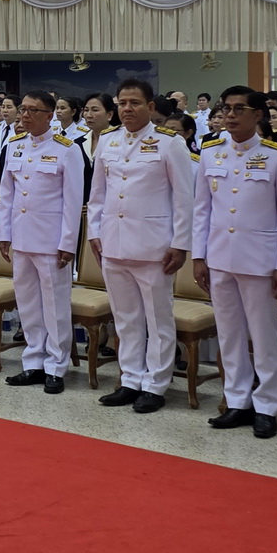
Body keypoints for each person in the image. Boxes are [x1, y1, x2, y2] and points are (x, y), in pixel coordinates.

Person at [190, 86, 277, 438]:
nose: (231, 115)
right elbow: (202, 210)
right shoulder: (210, 153)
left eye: (240, 109)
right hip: (220, 256)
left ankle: (267, 404)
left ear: (258, 116)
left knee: (264, 336)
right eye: (227, 109)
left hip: (260, 261)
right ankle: (237, 400)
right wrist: (199, 255)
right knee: (229, 333)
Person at [88, 80, 194, 412]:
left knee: (158, 318)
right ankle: (130, 378)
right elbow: (97, 194)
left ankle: (156, 384)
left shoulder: (169, 143)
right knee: (126, 317)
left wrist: (180, 243)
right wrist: (94, 230)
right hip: (113, 241)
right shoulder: (108, 140)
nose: (127, 109)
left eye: (135, 103)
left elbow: (184, 198)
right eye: (122, 103)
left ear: (150, 107)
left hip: (154, 245)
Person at [0, 91, 87, 393]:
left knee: (55, 305)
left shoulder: (67, 149)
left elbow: (73, 202)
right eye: (24, 109)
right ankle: (33, 361)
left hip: (51, 241)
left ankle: (56, 366)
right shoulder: (15, 146)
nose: (25, 115)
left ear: (50, 115)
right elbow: (7, 195)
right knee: (28, 303)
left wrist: (67, 243)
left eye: (33, 110)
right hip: (21, 238)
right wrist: (4, 235)